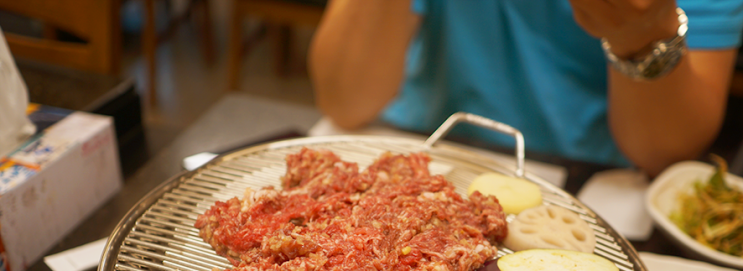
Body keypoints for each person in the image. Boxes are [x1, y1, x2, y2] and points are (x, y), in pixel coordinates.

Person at [308, 0, 743, 177]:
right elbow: (344, 99)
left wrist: (642, 35)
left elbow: (664, 150)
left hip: (594, 178)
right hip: (418, 143)